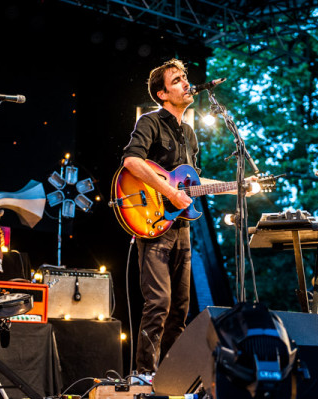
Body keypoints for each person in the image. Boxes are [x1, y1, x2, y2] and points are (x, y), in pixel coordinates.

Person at [122, 58, 258, 374]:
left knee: (180, 310)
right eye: (176, 80)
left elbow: (194, 184)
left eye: (185, 77)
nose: (186, 83)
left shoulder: (189, 133)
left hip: (181, 227)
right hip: (153, 224)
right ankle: (144, 375)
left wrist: (236, 187)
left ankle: (170, 378)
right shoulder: (150, 122)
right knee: (158, 304)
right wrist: (169, 192)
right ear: (161, 94)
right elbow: (131, 162)